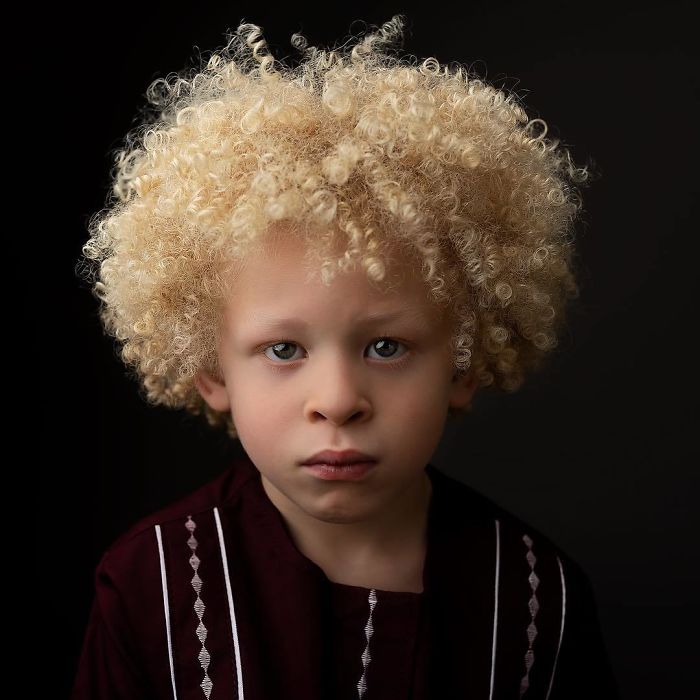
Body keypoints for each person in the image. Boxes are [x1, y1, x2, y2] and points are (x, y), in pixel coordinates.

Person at [72, 15, 619, 699]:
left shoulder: (538, 600)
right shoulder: (150, 585)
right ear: (212, 371)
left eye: (385, 347)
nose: (336, 400)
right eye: (283, 349)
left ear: (463, 364)